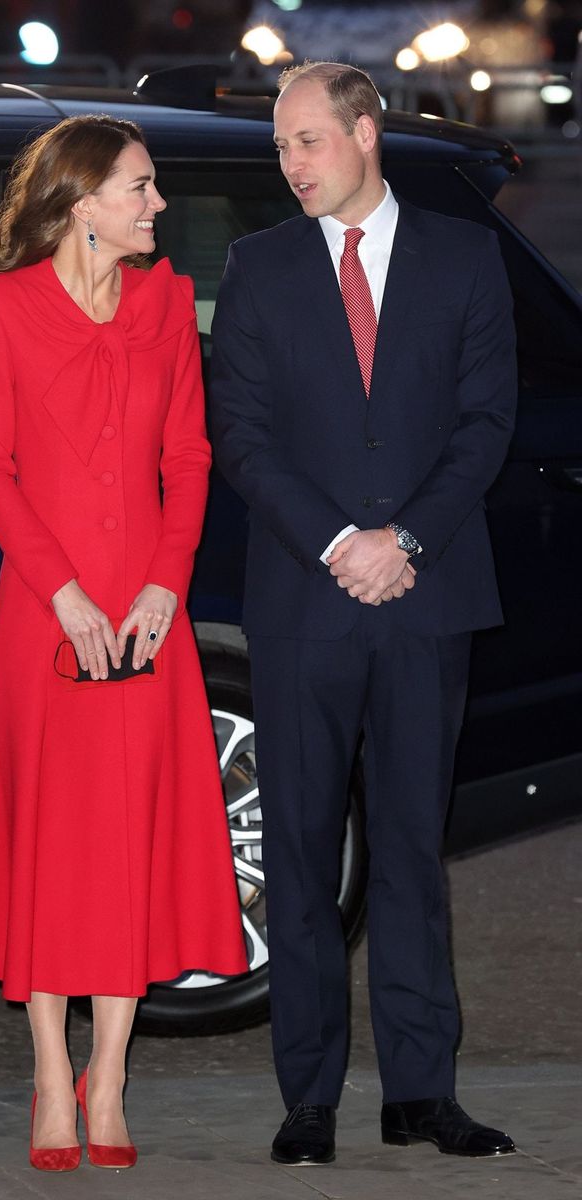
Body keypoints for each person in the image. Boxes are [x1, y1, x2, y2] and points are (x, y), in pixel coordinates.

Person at [210, 62, 518, 1165]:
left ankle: (422, 1092)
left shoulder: (465, 257)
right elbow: (241, 435)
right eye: (281, 147)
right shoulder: (257, 268)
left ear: (365, 132)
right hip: (305, 603)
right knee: (297, 853)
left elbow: (486, 423)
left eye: (305, 141)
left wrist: (409, 543)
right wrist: (344, 546)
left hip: (427, 601)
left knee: (408, 854)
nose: (288, 164)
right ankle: (310, 1098)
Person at [0, 114, 248, 1172]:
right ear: (83, 207)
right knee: (53, 846)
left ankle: (108, 1076)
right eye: (141, 188)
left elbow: (190, 455)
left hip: (148, 616)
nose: (158, 205)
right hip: (45, 612)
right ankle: (45, 1077)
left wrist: (166, 583)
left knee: (132, 845)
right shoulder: (0, 304)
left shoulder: (163, 301)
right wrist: (63, 591)